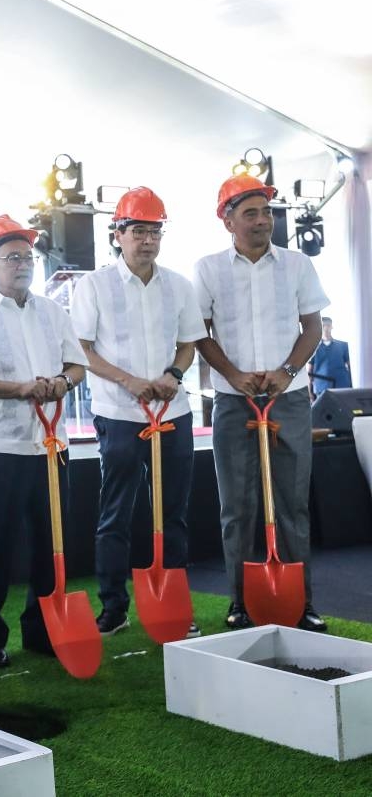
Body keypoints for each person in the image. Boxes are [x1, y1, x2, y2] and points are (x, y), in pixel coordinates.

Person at [0, 214, 87, 668]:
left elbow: (77, 366)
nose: (23, 264)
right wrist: (21, 389)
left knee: (53, 543)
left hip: (51, 445)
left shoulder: (53, 312)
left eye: (28, 256)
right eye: (12, 257)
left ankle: (42, 628)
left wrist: (63, 383)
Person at [193, 174, 328, 632]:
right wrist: (232, 376)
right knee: (238, 507)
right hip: (233, 404)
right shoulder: (209, 269)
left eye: (266, 212)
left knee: (292, 505)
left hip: (287, 400)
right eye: (250, 213)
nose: (262, 221)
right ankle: (240, 603)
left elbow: (312, 327)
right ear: (227, 220)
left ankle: (302, 602)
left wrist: (286, 372)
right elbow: (200, 334)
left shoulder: (296, 265)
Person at [69, 188, 206, 639]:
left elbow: (189, 342)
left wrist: (173, 373)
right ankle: (113, 606)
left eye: (154, 231)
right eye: (138, 231)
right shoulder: (94, 286)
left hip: (173, 410)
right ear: (118, 235)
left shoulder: (179, 286)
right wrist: (128, 381)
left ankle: (174, 605)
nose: (147, 240)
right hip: (119, 412)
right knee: (117, 510)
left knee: (173, 512)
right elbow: (83, 350)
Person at [309, 317, 352, 396]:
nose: (326, 328)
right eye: (323, 326)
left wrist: (352, 385)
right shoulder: (313, 348)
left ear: (332, 327)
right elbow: (309, 372)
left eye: (328, 325)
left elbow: (350, 367)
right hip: (321, 388)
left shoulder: (343, 346)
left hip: (342, 387)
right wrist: (310, 392)